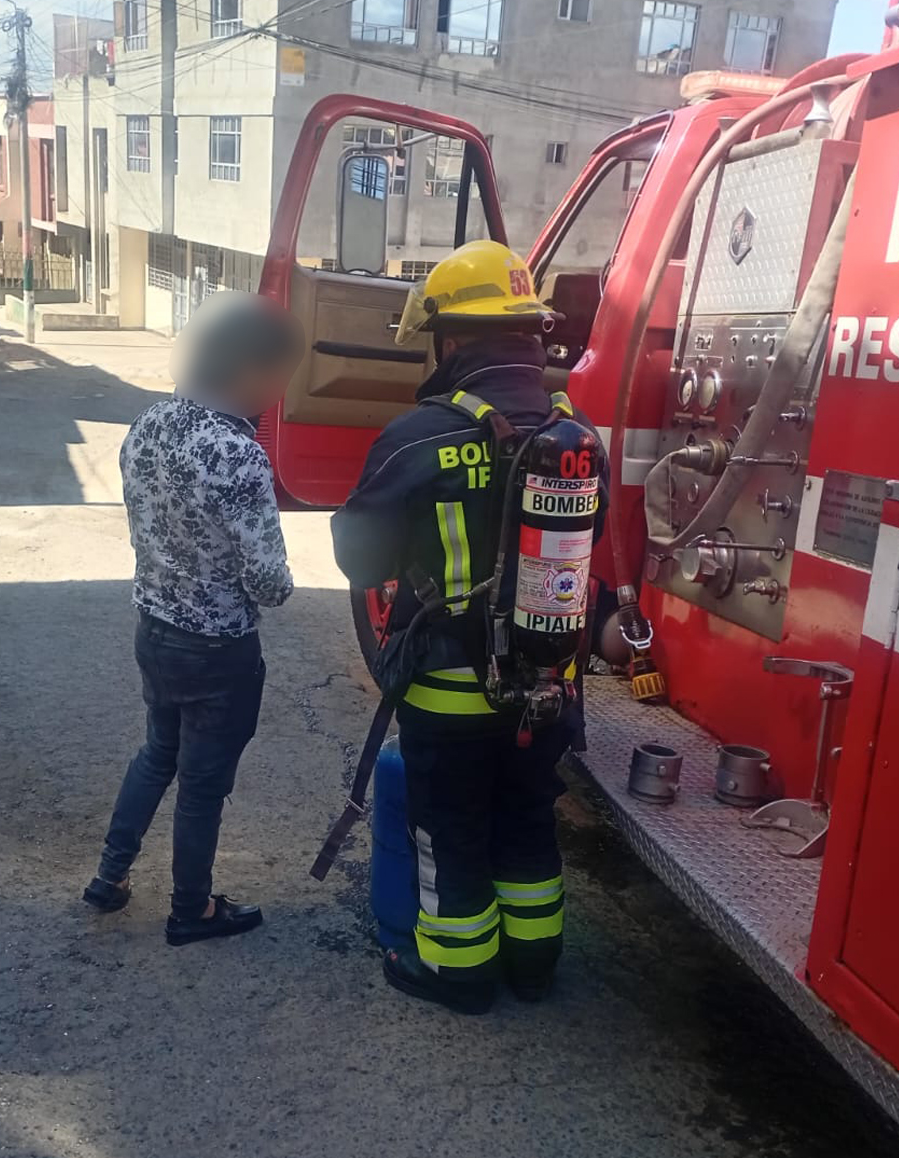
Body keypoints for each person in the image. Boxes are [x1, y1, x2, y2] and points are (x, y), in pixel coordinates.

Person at [331, 241, 607, 1014]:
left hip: (450, 691)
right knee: (525, 820)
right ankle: (534, 964)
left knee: (449, 831)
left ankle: (460, 974)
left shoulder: (417, 436)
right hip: (549, 686)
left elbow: (359, 559)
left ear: (450, 339)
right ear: (529, 334)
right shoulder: (576, 437)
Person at [84, 289, 304, 946]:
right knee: (203, 786)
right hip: (217, 649)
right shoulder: (237, 453)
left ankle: (110, 876)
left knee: (158, 754)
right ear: (249, 372)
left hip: (154, 630)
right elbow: (270, 584)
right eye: (277, 376)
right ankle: (192, 909)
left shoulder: (147, 425)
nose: (279, 392)